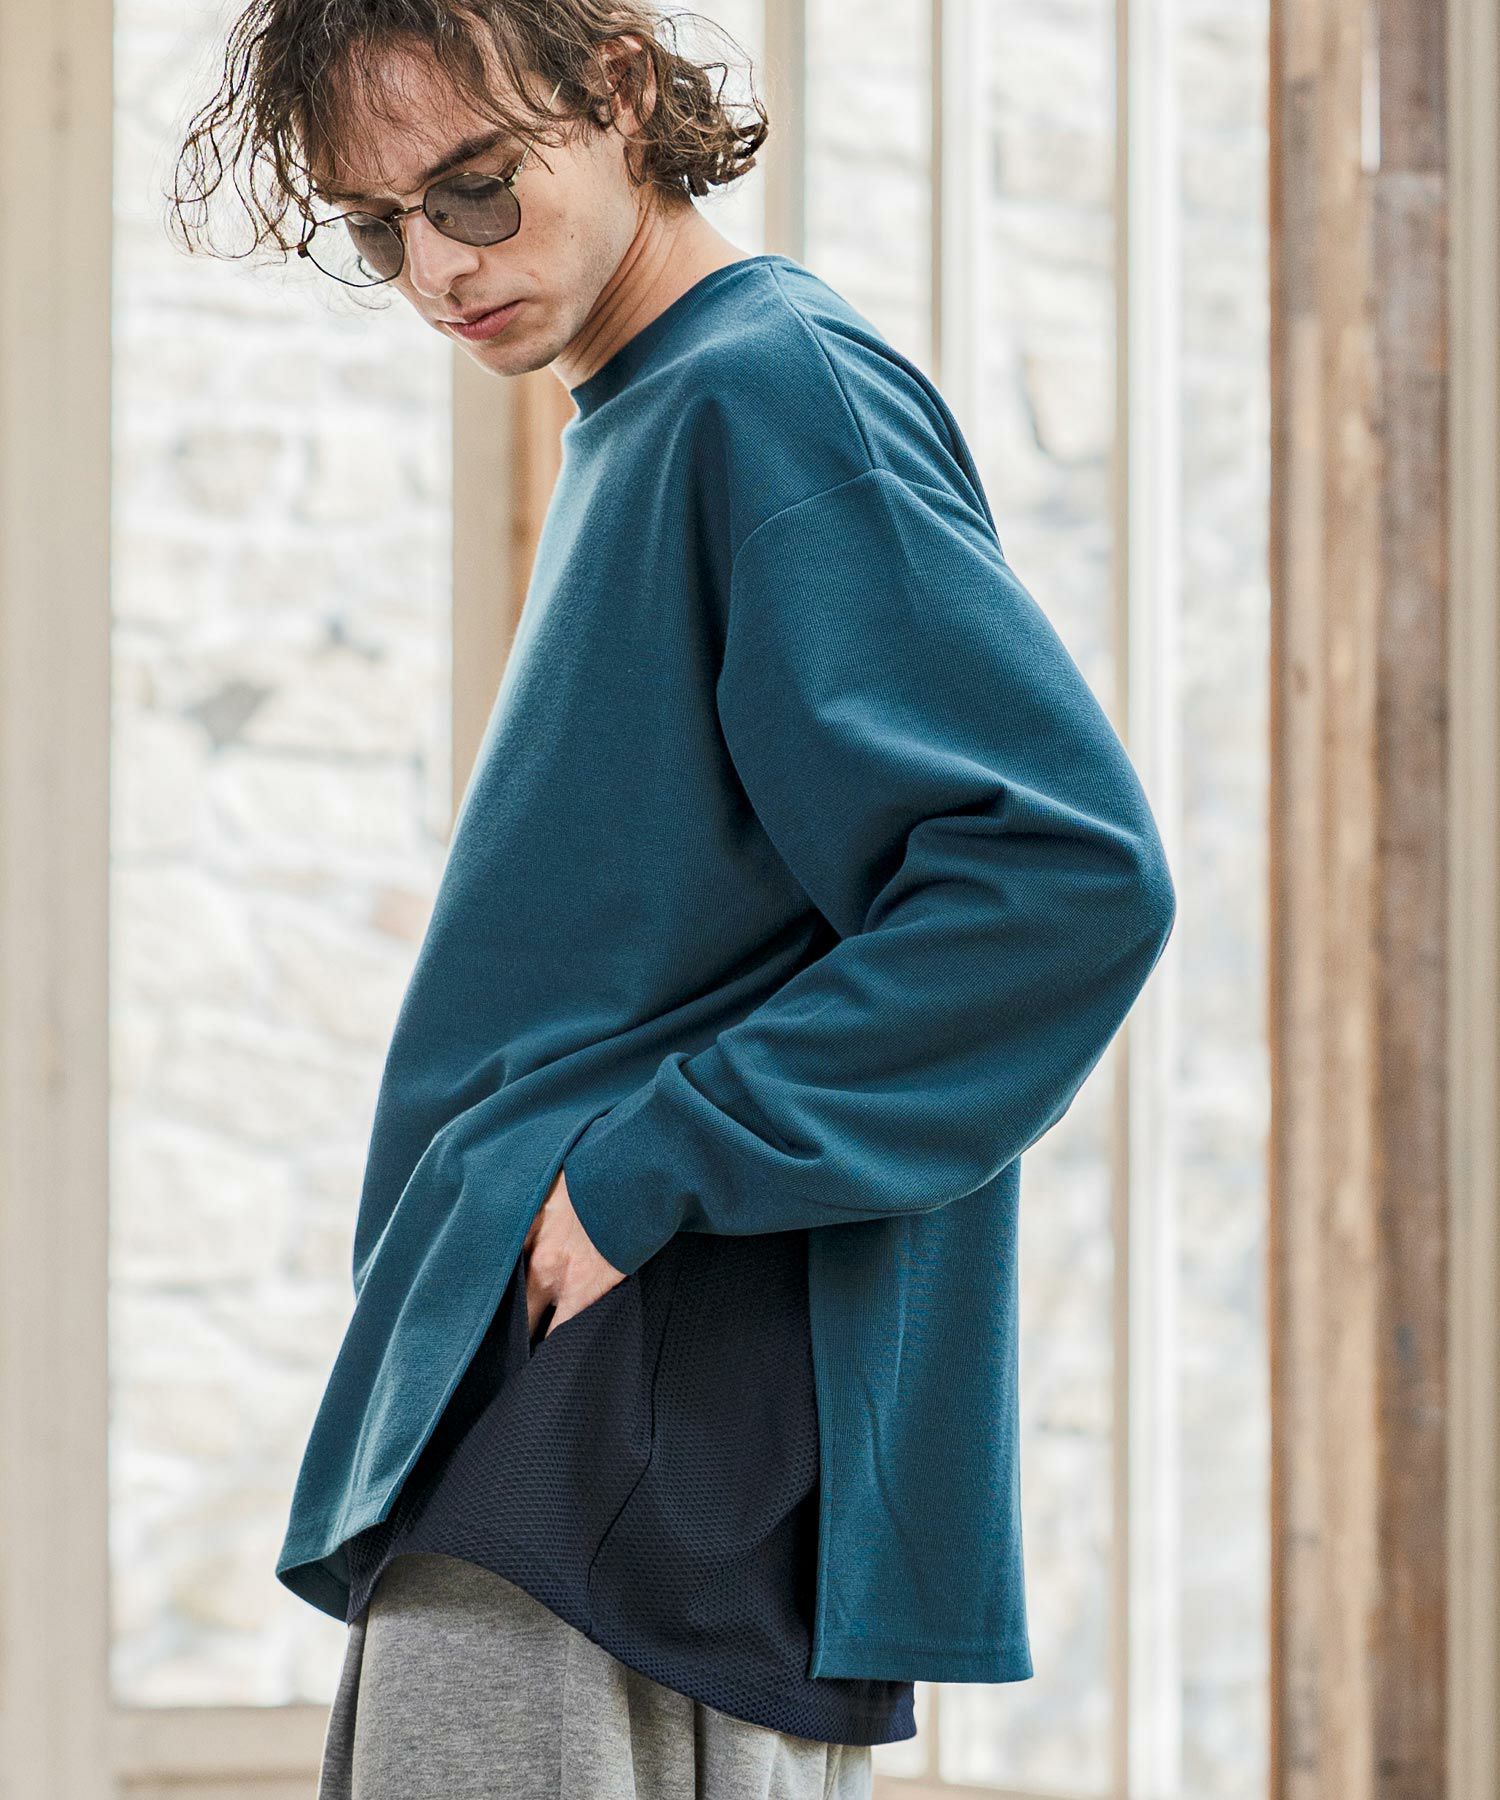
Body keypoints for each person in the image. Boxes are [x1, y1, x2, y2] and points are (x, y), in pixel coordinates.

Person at [170, 6, 1177, 1797]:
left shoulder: (767, 393)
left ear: (620, 90)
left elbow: (1057, 878)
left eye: (474, 189)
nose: (436, 268)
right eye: (378, 227)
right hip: (595, 1408)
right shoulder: (666, 407)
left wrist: (647, 1168)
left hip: (631, 1419)